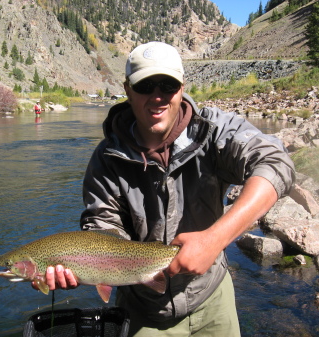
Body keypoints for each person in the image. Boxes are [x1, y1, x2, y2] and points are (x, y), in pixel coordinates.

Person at [34, 41, 295, 336]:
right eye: (146, 86)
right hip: (144, 309)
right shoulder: (107, 158)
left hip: (212, 297)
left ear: (181, 88)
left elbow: (276, 161)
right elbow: (102, 227)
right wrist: (83, 266)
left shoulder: (215, 131)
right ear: (128, 91)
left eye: (167, 85)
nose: (157, 97)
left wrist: (214, 239)